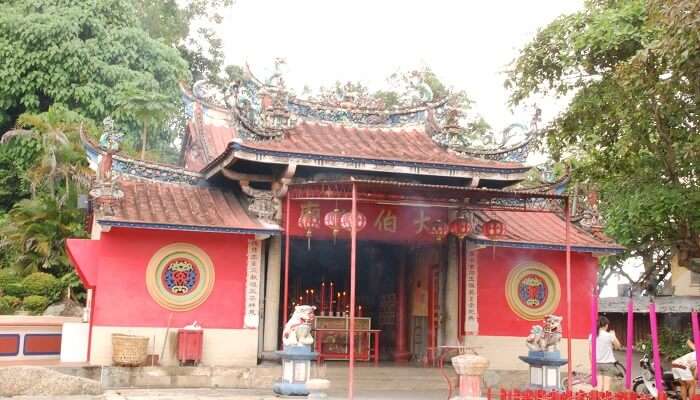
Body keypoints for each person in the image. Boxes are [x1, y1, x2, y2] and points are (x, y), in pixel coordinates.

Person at [592, 316, 622, 391]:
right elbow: (618, 346)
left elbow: (590, 351)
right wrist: (614, 336)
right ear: (606, 325)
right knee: (606, 388)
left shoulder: (592, 335)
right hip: (608, 364)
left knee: (599, 386)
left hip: (597, 363)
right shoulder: (609, 335)